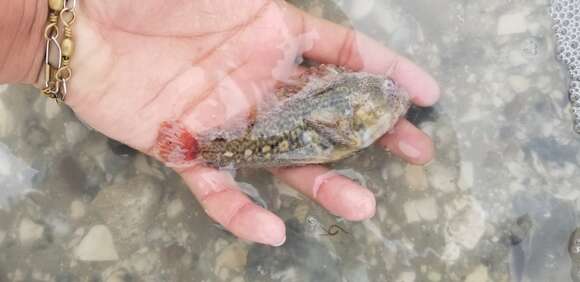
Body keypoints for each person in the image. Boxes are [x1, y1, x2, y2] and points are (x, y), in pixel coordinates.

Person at [1, 0, 440, 246]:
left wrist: (39, 27)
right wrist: (39, 28)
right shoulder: (348, 118)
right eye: (383, 102)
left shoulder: (345, 110)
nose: (391, 99)